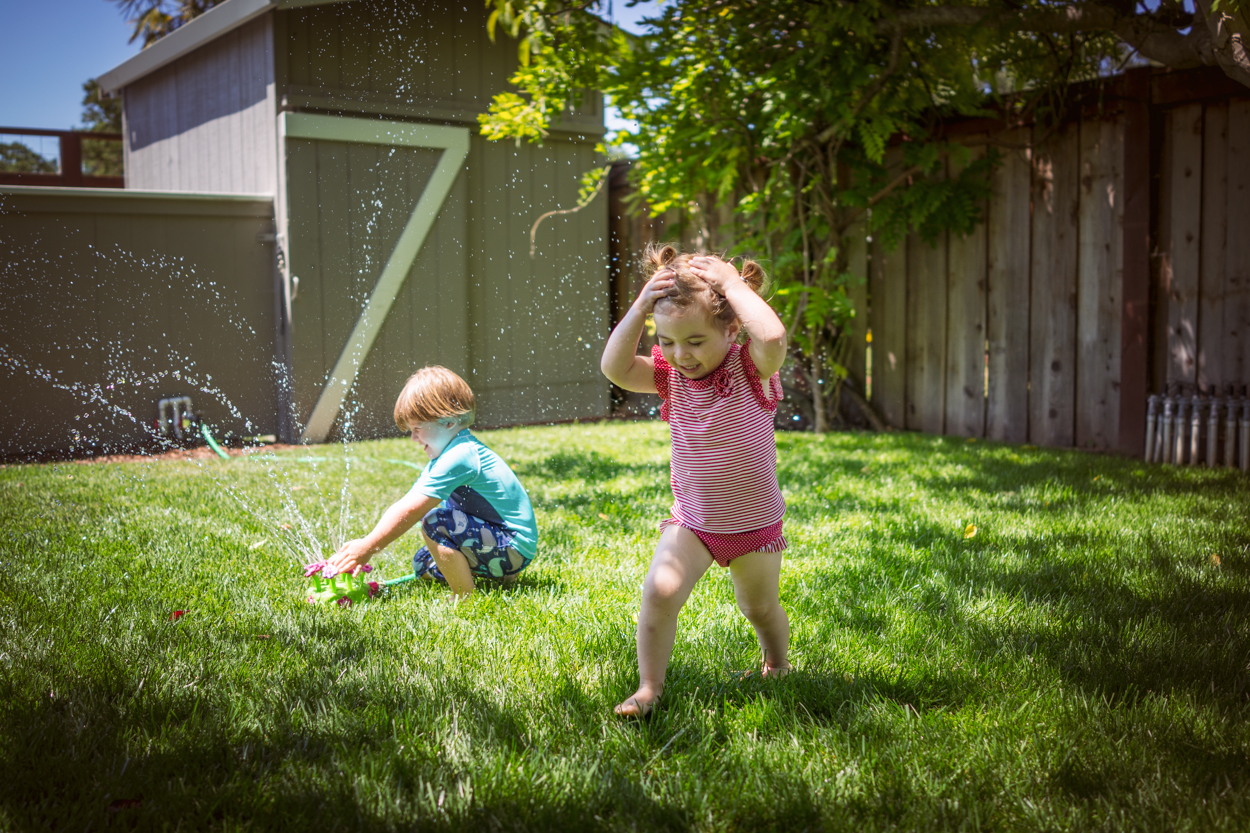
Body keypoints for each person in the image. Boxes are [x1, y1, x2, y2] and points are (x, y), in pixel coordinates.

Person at [600, 243, 792, 718]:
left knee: (759, 608)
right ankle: (649, 688)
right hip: (694, 523)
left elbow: (773, 338)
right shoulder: (670, 377)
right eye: (667, 341)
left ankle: (777, 664)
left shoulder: (750, 368)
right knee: (659, 591)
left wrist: (732, 285)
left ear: (731, 328)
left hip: (754, 525)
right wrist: (641, 306)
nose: (680, 354)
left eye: (695, 341)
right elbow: (615, 369)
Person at [325, 366, 537, 597]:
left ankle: (466, 598)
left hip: (513, 547)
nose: (413, 438)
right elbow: (409, 501)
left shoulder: (461, 456)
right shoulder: (451, 454)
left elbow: (411, 509)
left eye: (417, 428)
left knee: (436, 523)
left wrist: (367, 546)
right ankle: (501, 574)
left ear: (448, 422)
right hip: (505, 544)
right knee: (423, 563)